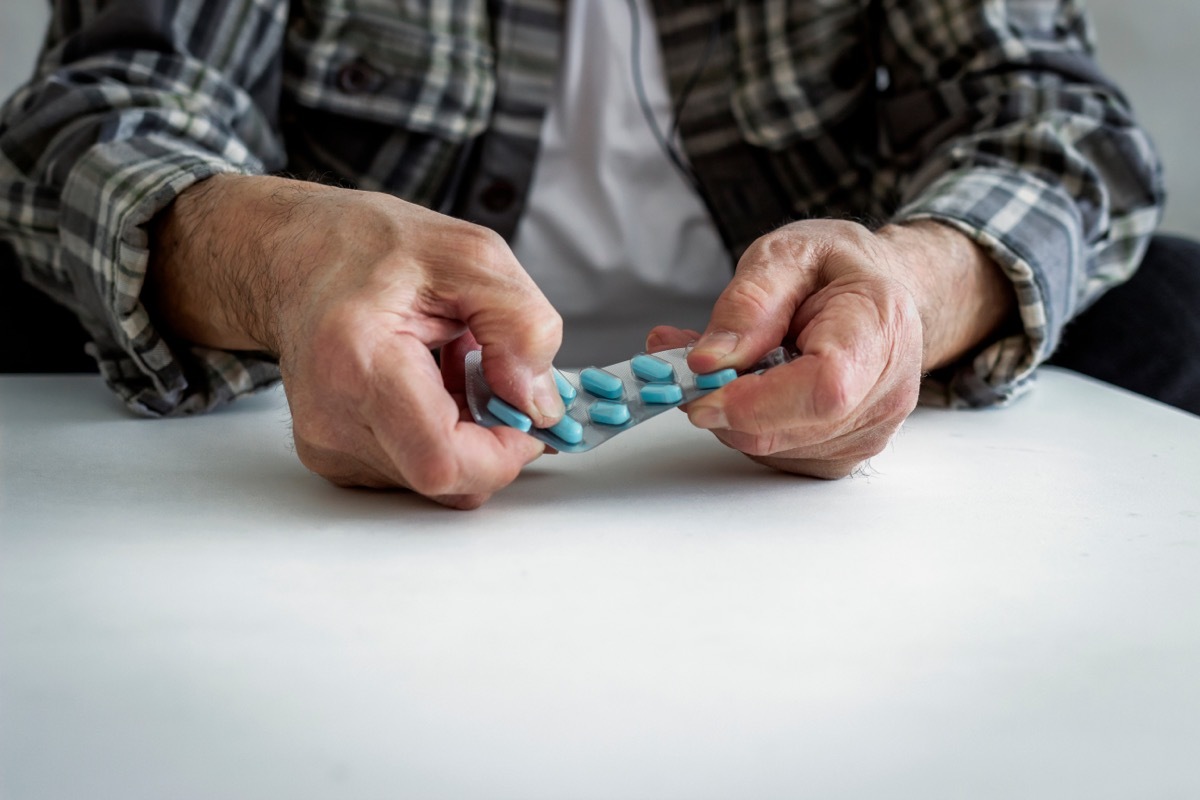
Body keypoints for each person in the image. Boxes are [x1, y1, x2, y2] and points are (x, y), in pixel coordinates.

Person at [0, 0, 1179, 508]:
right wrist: (285, 258)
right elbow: (106, 114)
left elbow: (1056, 123)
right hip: (337, 350)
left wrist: (912, 285)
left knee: (1180, 304)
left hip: (812, 333)